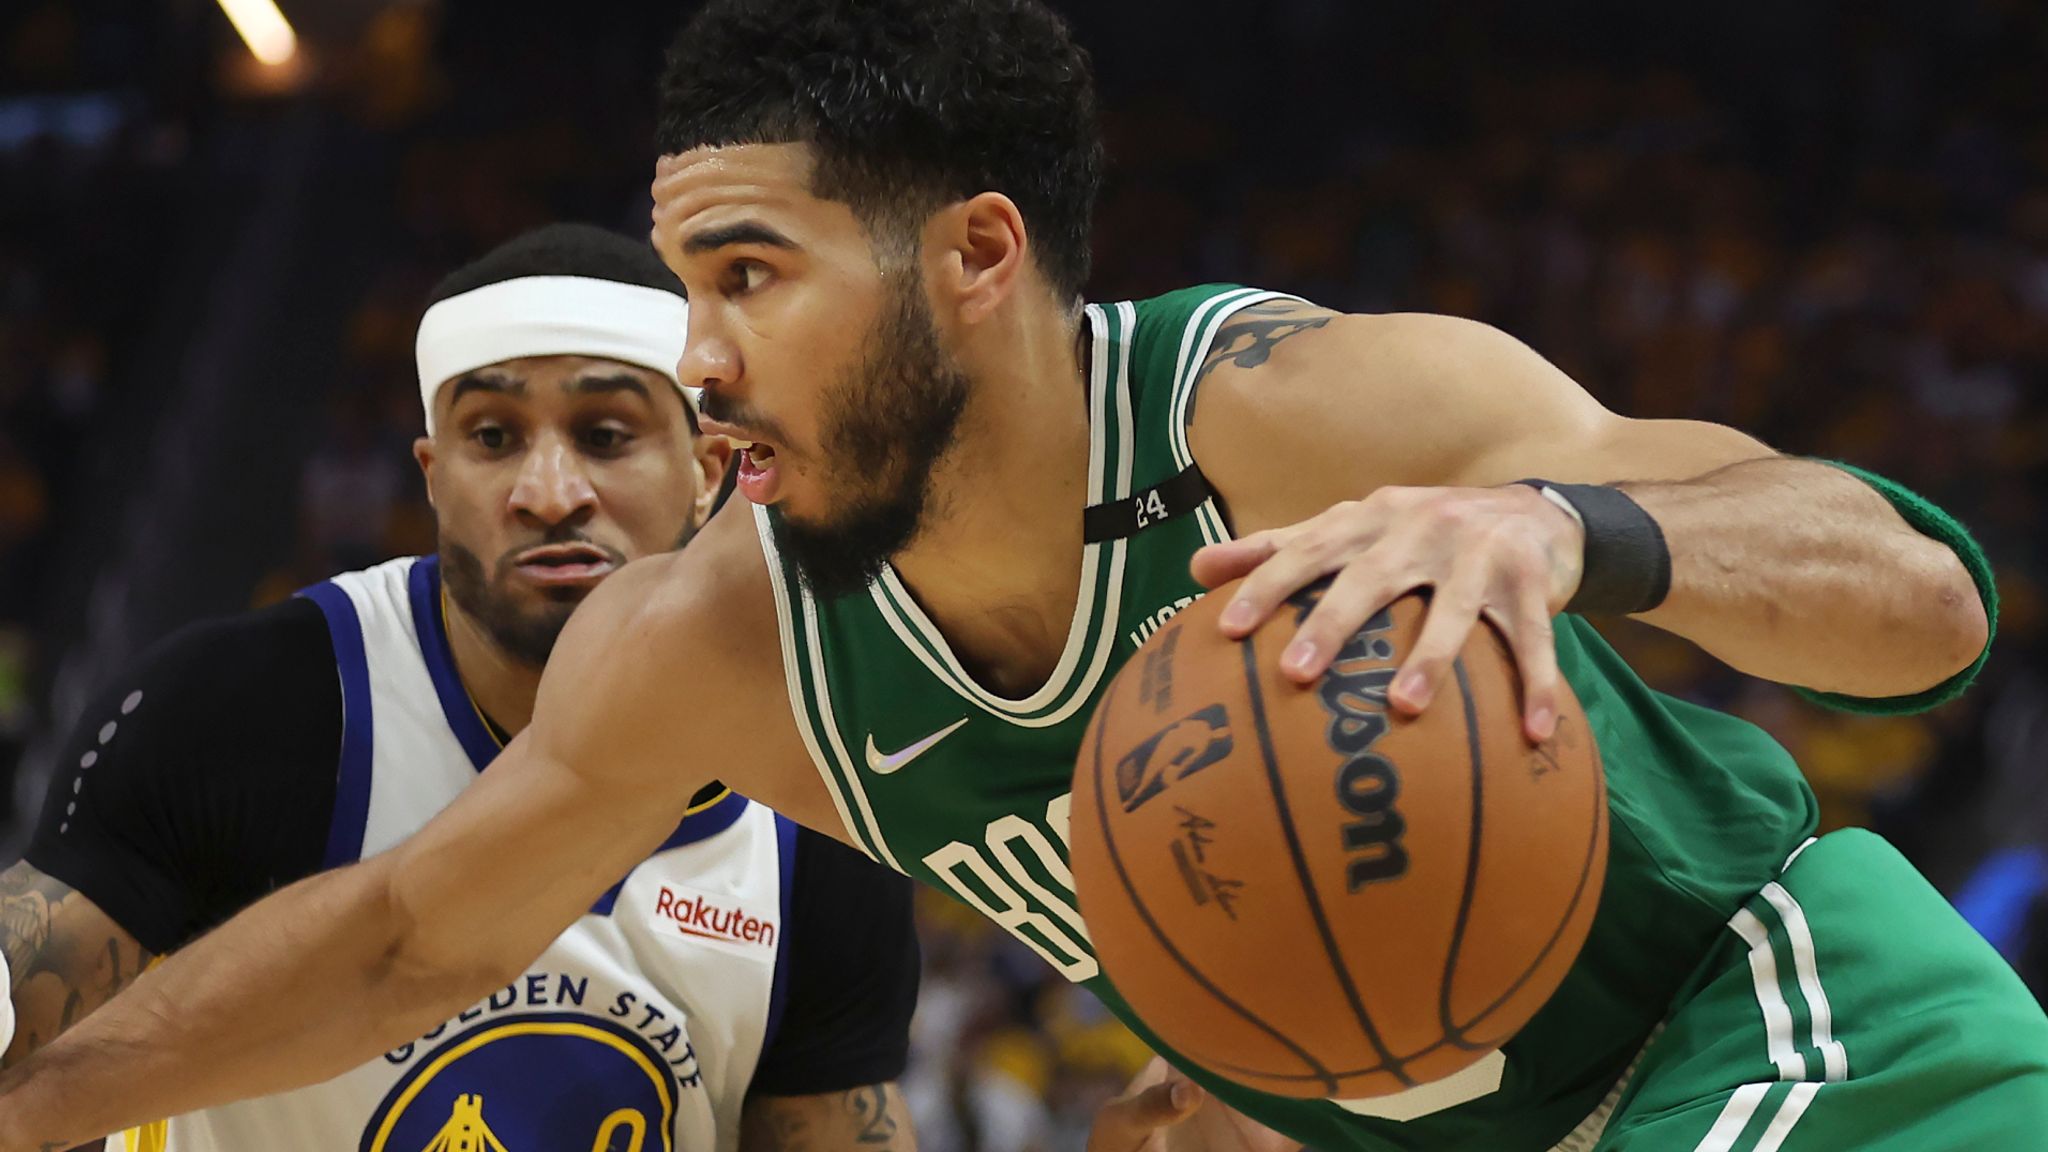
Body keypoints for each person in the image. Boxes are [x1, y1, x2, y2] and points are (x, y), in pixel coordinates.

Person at [4, 1, 2044, 1148]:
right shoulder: (726, 641)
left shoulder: (1290, 409)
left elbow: (1911, 600)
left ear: (974, 259)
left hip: (1777, 1038)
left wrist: (1555, 528)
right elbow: (394, 946)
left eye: (747, 279)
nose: (694, 358)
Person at [0, 223, 920, 1152]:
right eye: (492, 437)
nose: (551, 492)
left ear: (706, 470)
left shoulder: (815, 802)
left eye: (606, 436)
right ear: (434, 481)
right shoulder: (247, 706)